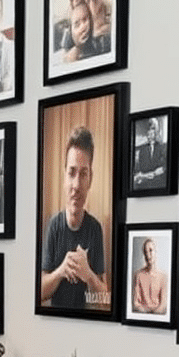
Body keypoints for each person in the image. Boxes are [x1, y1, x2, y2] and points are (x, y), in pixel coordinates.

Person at [40, 127, 109, 310]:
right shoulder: (53, 225)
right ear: (64, 177)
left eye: (83, 174)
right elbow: (38, 293)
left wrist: (88, 275)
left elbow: (105, 300)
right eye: (71, 173)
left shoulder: (95, 228)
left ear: (90, 180)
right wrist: (62, 271)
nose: (76, 185)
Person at [131, 236, 168, 315]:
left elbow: (163, 305)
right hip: (142, 317)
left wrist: (153, 315)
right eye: (145, 252)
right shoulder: (138, 275)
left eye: (150, 250)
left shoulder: (163, 277)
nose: (148, 255)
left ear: (156, 252)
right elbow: (136, 304)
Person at [132, 116, 166, 189]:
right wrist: (142, 176)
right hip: (145, 179)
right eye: (148, 134)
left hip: (158, 179)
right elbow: (140, 167)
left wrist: (157, 172)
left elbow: (164, 166)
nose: (149, 136)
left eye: (151, 134)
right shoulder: (143, 149)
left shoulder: (161, 147)